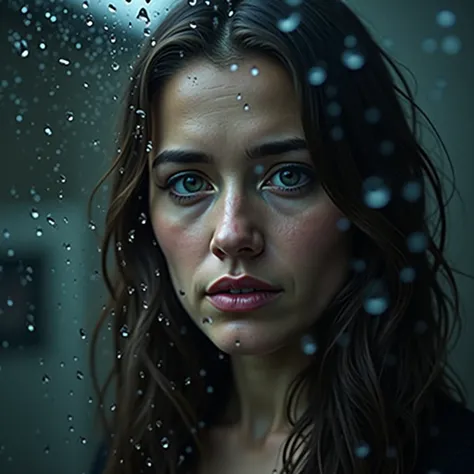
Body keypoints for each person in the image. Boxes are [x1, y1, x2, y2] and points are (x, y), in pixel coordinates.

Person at [87, 1, 474, 473]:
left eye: (289, 176)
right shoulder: (130, 457)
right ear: (146, 214)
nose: (232, 235)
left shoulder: (452, 458)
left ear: (367, 195)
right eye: (188, 182)